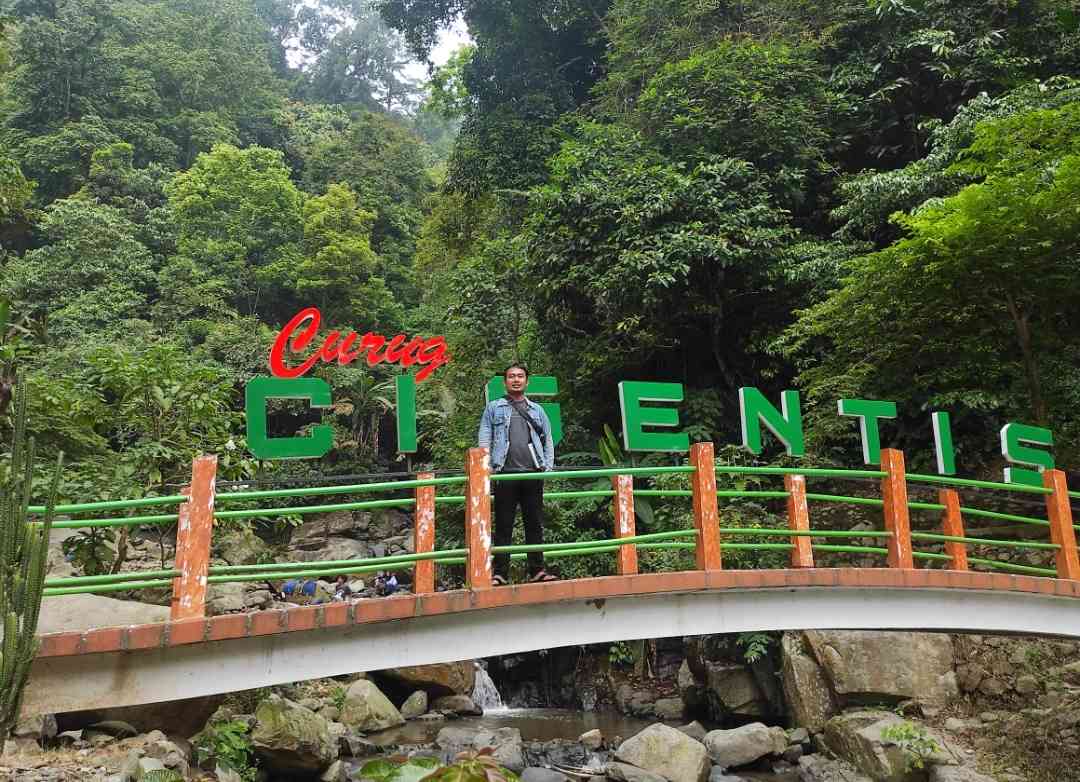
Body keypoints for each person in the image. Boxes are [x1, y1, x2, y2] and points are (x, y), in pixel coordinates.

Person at [477, 363, 556, 585]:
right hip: (504, 475)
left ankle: (537, 570)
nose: (516, 380)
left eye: (520, 376)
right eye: (511, 376)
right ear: (505, 382)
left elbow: (547, 438)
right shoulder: (494, 408)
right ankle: (500, 573)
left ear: (527, 381)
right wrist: (486, 467)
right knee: (503, 525)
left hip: (532, 474)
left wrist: (547, 467)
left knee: (534, 524)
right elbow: (485, 438)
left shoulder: (537, 410)